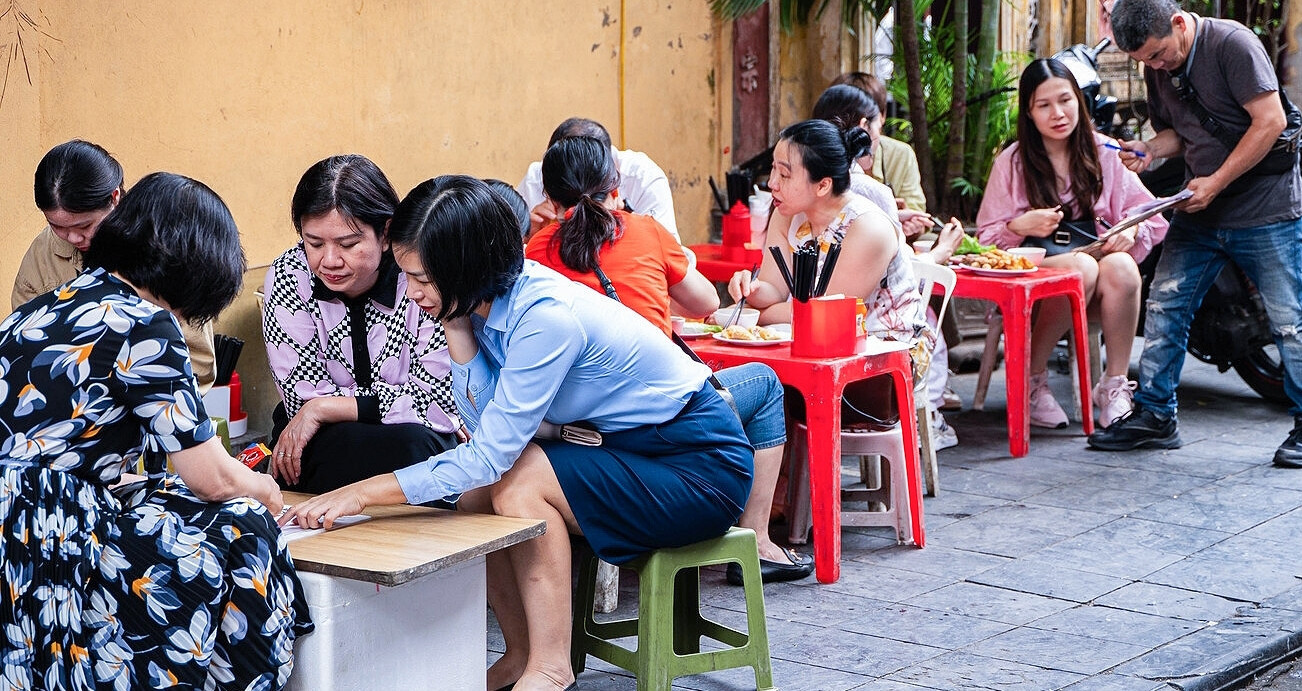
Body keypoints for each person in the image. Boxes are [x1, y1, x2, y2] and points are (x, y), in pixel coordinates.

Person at [282, 176, 753, 691]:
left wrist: (360, 495)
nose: (411, 292)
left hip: (697, 466)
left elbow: (490, 452)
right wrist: (456, 327)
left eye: (420, 278)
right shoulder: (478, 307)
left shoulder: (544, 318)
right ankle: (520, 653)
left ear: (463, 268)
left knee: (518, 480)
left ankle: (551, 667)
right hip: (627, 451)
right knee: (477, 493)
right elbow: (480, 426)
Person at [0, 172, 311, 690]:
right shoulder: (146, 323)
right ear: (198, 264)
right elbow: (211, 479)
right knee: (242, 525)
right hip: (57, 537)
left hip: (14, 533)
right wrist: (267, 491)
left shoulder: (38, 310)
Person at [524, 137, 813, 584]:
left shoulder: (534, 252)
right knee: (767, 383)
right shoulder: (643, 230)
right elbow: (702, 303)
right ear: (615, 185)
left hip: (578, 427)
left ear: (548, 196)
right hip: (651, 420)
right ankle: (757, 538)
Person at [1092, 0, 1302, 466]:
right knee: (1165, 304)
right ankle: (1155, 415)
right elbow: (1180, 136)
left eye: (1159, 55)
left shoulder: (1232, 43)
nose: (1156, 66)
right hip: (1199, 205)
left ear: (1180, 23)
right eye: (1146, 61)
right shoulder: (1157, 65)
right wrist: (1148, 148)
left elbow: (1271, 121)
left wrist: (1216, 182)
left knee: (1290, 320)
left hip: (1264, 205)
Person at [978, 58, 1168, 429]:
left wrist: (1128, 231)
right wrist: (1020, 224)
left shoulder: (1105, 152)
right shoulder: (1012, 162)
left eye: (1065, 100)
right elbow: (986, 242)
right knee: (1080, 269)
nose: (1058, 113)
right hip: (1034, 276)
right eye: (1043, 105)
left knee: (1123, 267)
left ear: (1080, 102)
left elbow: (1148, 212)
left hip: (1094, 275)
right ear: (1028, 113)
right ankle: (1032, 382)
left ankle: (1113, 386)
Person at [262, 155, 461, 493]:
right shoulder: (289, 274)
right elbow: (301, 399)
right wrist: (320, 409)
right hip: (323, 437)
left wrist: (325, 407)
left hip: (413, 439)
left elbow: (437, 401)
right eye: (314, 243)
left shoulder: (420, 275)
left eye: (348, 244)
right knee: (302, 452)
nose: (329, 260)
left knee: (417, 449)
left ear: (385, 234)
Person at [730, 119, 934, 428]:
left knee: (760, 390)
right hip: (809, 348)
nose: (772, 182)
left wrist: (754, 317)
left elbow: (826, 318)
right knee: (749, 385)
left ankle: (784, 474)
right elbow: (773, 287)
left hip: (884, 363)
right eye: (774, 169)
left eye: (785, 174)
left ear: (823, 185)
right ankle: (781, 475)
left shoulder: (868, 228)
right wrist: (752, 292)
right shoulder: (787, 214)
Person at [813, 83, 965, 448]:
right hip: (868, 343)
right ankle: (929, 416)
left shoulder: (814, 185)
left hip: (841, 329)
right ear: (863, 130)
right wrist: (939, 254)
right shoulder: (868, 191)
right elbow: (892, 283)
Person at [13, 139, 218, 393]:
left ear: (115, 198)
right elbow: (25, 352)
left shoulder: (163, 248)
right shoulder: (41, 256)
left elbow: (198, 362)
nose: (73, 238)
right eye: (58, 227)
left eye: (84, 226)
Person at [518, 117, 680, 240]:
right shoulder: (536, 179)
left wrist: (628, 224)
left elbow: (671, 255)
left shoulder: (642, 177)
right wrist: (525, 235)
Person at [831, 72, 927, 213]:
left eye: (867, 119)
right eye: (847, 119)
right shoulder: (818, 154)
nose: (857, 130)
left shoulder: (900, 154)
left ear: (882, 116)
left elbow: (917, 212)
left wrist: (910, 221)